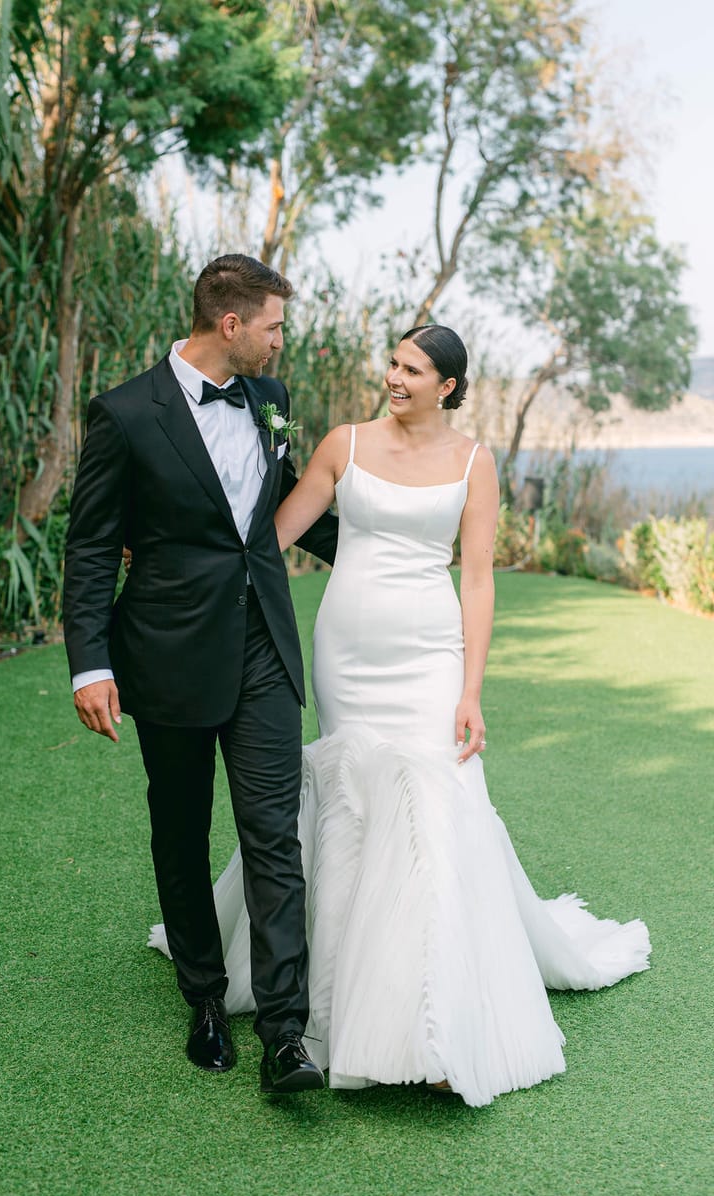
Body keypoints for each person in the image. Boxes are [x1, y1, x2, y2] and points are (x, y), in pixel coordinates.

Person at [150, 323, 651, 1106]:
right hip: (347, 649)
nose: (394, 377)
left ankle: (434, 1022)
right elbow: (263, 538)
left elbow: (477, 579)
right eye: (392, 362)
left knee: (433, 807)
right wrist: (165, 543)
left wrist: (471, 689)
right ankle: (339, 995)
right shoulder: (343, 445)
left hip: (429, 654)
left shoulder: (474, 464)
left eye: (412, 370)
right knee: (355, 803)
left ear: (447, 385)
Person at [63, 254, 338, 1094]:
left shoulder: (272, 401)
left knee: (272, 835)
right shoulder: (124, 414)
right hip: (168, 652)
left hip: (262, 648)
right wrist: (90, 665)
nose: (281, 341)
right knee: (179, 830)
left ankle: (286, 1034)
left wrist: (385, 549)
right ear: (231, 326)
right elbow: (89, 547)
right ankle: (206, 1000)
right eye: (274, 326)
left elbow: (286, 504)